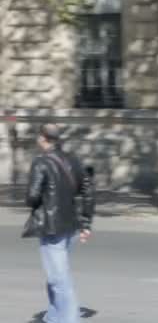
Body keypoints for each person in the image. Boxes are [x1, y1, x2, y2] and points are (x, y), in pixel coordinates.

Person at [23, 123, 95, 323]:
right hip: (71, 227)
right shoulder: (73, 160)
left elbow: (32, 197)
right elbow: (88, 190)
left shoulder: (41, 163)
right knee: (56, 274)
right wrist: (86, 223)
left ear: (42, 138)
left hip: (51, 227)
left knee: (59, 279)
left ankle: (70, 319)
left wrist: (32, 197)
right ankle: (54, 316)